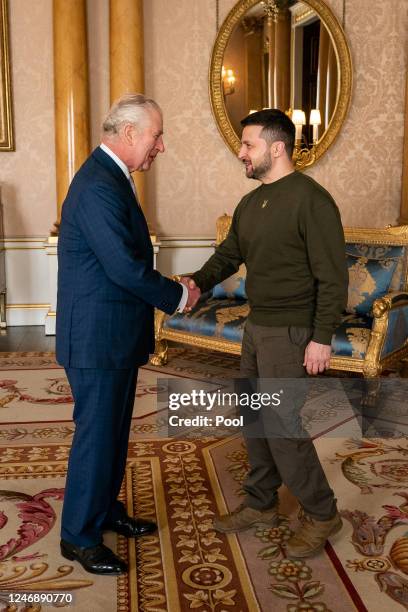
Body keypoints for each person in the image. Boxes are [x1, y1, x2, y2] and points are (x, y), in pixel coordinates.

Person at [185, 109, 348, 558]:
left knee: (281, 426)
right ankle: (262, 503)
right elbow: (228, 255)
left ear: (277, 148)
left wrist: (321, 337)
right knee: (255, 420)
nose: (241, 152)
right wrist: (196, 283)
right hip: (257, 327)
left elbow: (333, 277)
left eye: (248, 145)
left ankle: (322, 513)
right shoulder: (251, 202)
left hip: (293, 331)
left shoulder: (311, 200)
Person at [56, 93, 199, 575]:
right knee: (97, 436)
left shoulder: (111, 177)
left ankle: (103, 510)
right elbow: (122, 266)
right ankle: (78, 536)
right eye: (157, 135)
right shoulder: (99, 184)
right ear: (131, 133)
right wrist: (176, 296)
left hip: (111, 334)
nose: (161, 145)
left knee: (114, 433)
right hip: (97, 338)